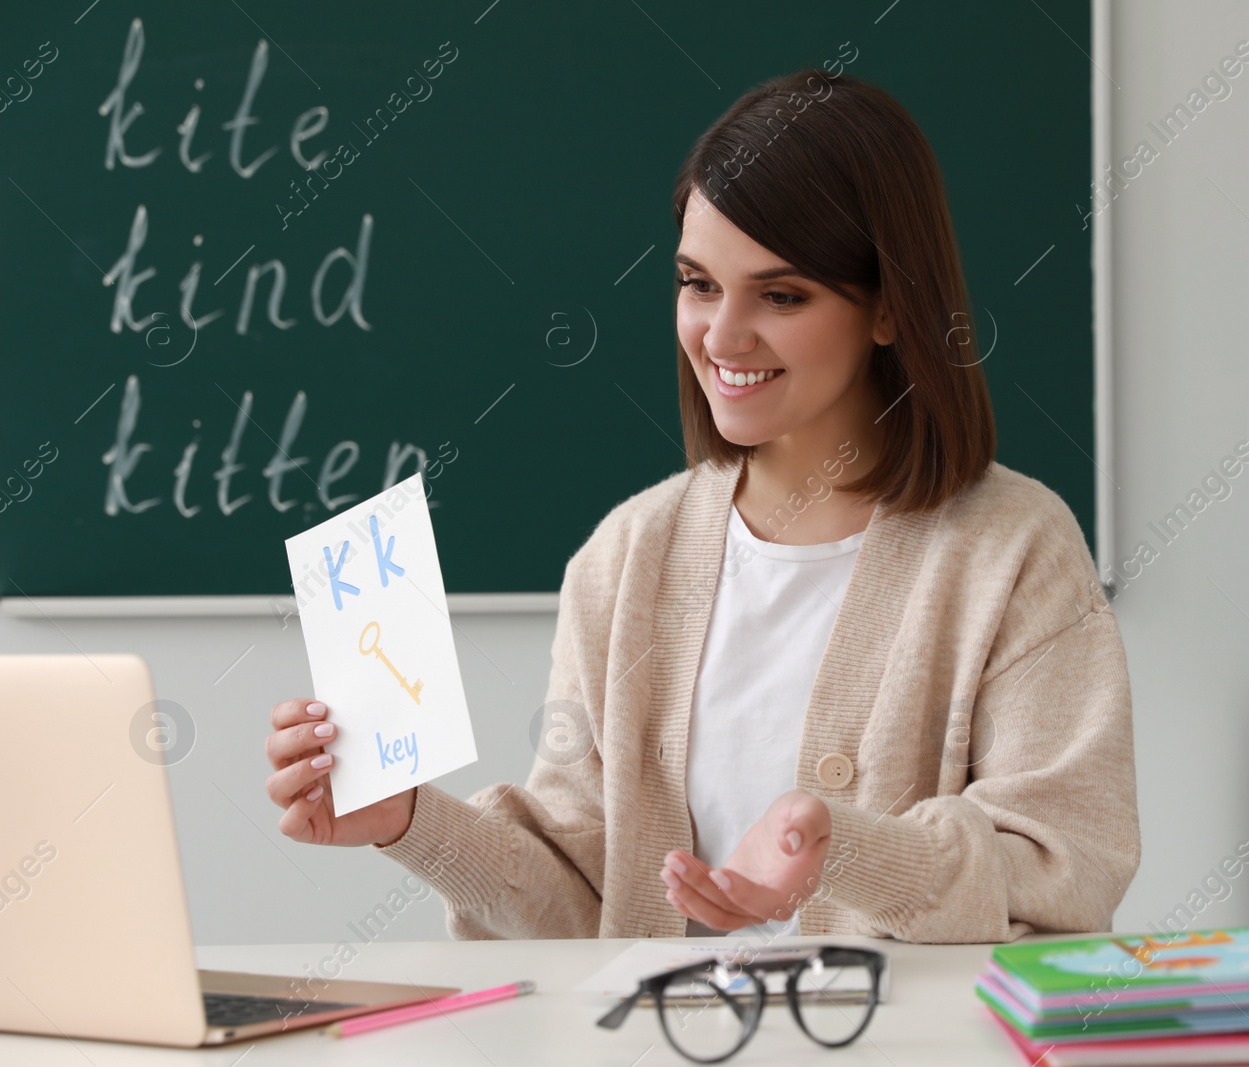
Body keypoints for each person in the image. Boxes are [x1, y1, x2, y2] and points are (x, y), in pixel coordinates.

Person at [263, 68, 1140, 943]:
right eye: (698, 283)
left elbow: (1066, 869)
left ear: (886, 307)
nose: (722, 337)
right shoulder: (626, 556)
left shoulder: (1014, 549)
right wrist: (408, 821)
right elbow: (582, 900)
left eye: (782, 294)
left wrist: (846, 850)